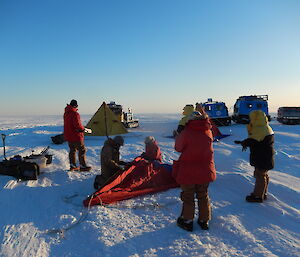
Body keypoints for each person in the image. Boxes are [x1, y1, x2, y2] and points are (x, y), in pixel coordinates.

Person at [173, 110, 216, 232]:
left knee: (188, 196)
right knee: (203, 195)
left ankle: (187, 220)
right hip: (205, 170)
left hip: (188, 170)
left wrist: (177, 137)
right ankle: (204, 220)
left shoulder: (187, 133)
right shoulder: (208, 131)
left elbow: (178, 148)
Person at [234, 110, 274, 203]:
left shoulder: (259, 129)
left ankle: (257, 196)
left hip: (262, 157)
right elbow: (256, 141)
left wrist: (244, 143)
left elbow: (253, 141)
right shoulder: (265, 127)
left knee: (260, 175)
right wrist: (244, 142)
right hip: (265, 156)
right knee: (263, 174)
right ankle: (263, 193)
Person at [63, 99, 91, 171]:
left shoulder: (66, 113)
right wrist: (83, 129)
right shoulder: (75, 114)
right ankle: (83, 166)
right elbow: (78, 125)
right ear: (75, 106)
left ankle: (73, 165)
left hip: (69, 135)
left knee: (72, 150)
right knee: (82, 150)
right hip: (76, 136)